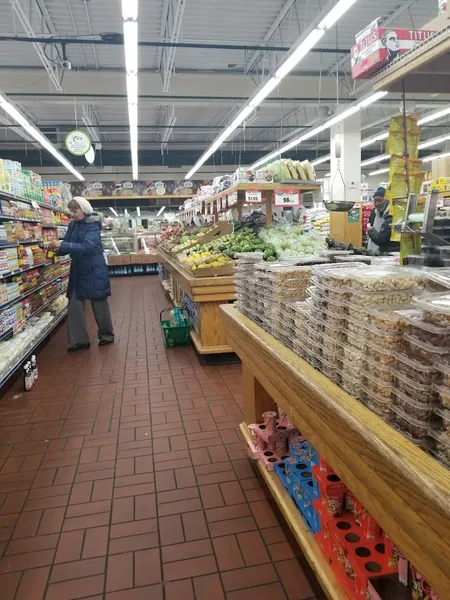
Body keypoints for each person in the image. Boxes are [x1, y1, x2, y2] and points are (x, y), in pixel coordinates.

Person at [49, 197, 115, 352]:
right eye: (71, 210)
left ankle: (106, 335)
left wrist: (64, 245)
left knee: (99, 304)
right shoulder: (73, 225)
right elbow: (67, 245)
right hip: (78, 269)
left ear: (84, 209)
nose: (73, 214)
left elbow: (88, 246)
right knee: (74, 304)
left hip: (94, 269)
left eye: (75, 210)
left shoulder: (92, 225)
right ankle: (79, 341)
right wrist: (57, 248)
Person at [367, 187, 398, 253]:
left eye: (379, 200)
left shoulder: (392, 215)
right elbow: (370, 225)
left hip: (387, 252)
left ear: (387, 201)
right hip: (375, 250)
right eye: (375, 201)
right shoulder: (374, 213)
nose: (376, 203)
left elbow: (382, 240)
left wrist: (371, 231)